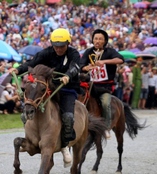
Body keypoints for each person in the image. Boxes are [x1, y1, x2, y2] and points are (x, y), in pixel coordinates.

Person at [9, 28, 81, 165]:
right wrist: (18, 69)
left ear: (68, 43)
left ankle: (65, 145)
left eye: (62, 46)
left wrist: (68, 75)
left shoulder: (73, 53)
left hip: (67, 90)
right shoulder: (47, 53)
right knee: (26, 112)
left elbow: (76, 66)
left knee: (68, 117)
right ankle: (31, 138)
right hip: (48, 89)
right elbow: (31, 63)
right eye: (56, 46)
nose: (58, 49)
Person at [80, 29, 124, 139]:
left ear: (104, 41)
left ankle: (106, 128)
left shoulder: (110, 52)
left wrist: (104, 62)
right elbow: (81, 66)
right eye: (95, 39)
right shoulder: (88, 52)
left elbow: (120, 60)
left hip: (105, 87)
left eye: (100, 39)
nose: (97, 41)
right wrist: (86, 67)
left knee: (105, 103)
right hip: (90, 86)